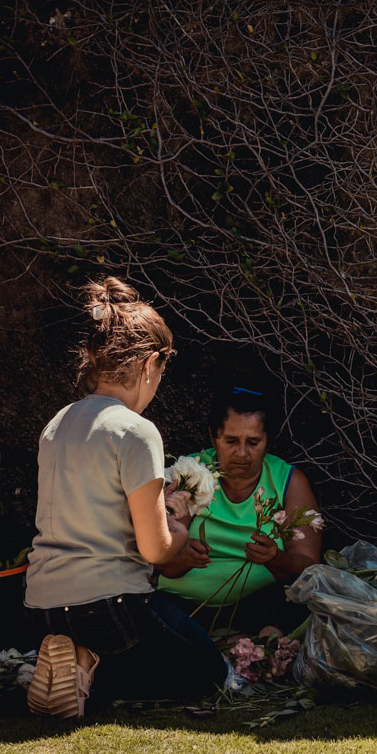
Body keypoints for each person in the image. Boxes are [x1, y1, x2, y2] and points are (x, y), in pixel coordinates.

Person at [25, 277, 231, 719]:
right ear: (151, 363)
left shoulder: (57, 424)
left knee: (145, 649)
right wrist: (178, 525)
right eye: (162, 372)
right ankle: (89, 666)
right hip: (110, 606)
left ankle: (73, 665)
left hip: (44, 607)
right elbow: (155, 549)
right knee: (207, 671)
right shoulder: (136, 430)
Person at [156, 385, 321, 636]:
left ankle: (259, 645)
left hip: (260, 605)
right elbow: (160, 562)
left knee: (304, 600)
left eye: (253, 442)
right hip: (184, 606)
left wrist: (275, 557)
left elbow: (308, 567)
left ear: (267, 440)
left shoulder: (288, 481)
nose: (242, 453)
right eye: (231, 441)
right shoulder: (191, 473)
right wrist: (184, 558)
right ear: (213, 437)